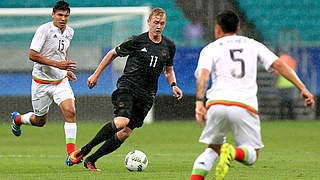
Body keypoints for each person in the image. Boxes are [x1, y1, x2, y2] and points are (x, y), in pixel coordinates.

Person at [190, 10, 314, 180]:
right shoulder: (252, 44)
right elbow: (279, 64)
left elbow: (203, 75)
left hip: (216, 103)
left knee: (212, 148)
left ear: (217, 29)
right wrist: (303, 88)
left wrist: (199, 102)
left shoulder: (210, 49)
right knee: (252, 154)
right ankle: (232, 151)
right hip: (243, 104)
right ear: (238, 27)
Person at [67, 8, 183, 171]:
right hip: (128, 87)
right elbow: (112, 53)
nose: (158, 26)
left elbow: (168, 69)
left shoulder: (169, 46)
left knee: (125, 132)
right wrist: (95, 75)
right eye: (155, 22)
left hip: (147, 95)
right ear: (149, 22)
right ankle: (83, 150)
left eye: (162, 23)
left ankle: (91, 160)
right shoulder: (137, 41)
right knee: (122, 121)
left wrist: (174, 85)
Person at [10, 0, 78, 166]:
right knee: (40, 121)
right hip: (41, 83)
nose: (63, 19)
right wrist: (58, 65)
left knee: (70, 112)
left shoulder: (69, 31)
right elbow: (32, 55)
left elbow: (63, 50)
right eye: (60, 15)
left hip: (60, 81)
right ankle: (18, 119)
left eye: (66, 16)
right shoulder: (44, 30)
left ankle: (71, 155)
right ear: (53, 15)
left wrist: (66, 67)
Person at [274, 53, 297, 119]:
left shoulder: (279, 60)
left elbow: (277, 74)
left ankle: (282, 117)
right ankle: (291, 117)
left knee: (282, 103)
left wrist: (275, 83)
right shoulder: (291, 60)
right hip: (290, 84)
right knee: (290, 102)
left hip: (281, 85)